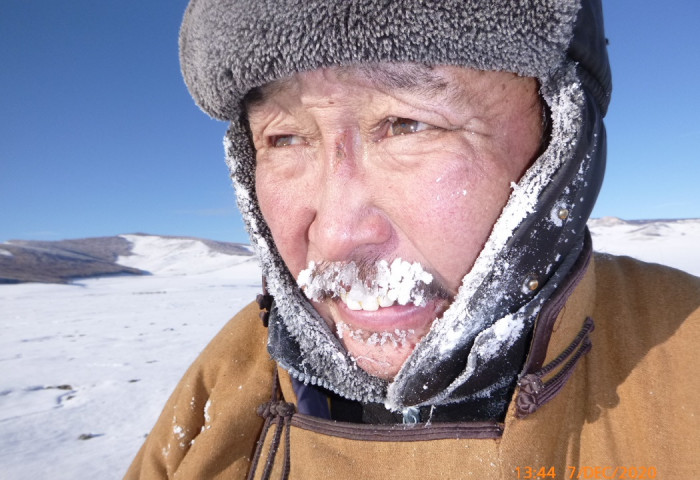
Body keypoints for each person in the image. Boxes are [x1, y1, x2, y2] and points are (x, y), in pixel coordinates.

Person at [126, 0, 700, 478]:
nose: (336, 234)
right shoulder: (227, 379)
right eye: (284, 139)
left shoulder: (685, 359)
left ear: (562, 144)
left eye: (408, 124)